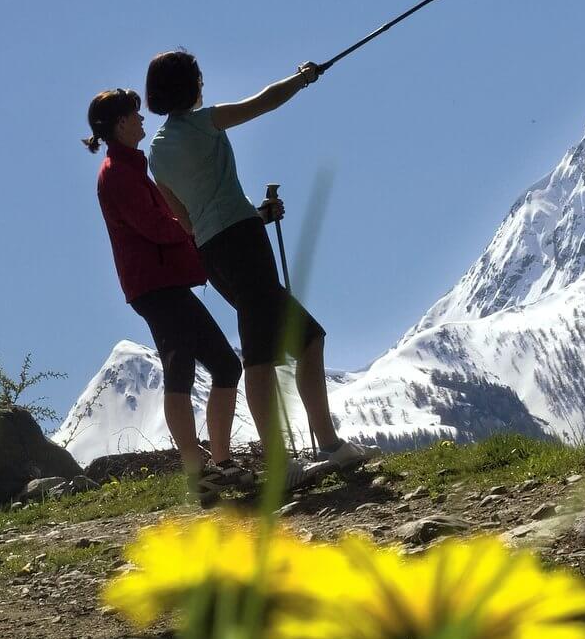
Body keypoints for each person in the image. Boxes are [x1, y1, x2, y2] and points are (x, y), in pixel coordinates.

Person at [142, 50, 374, 469]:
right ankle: (290, 460)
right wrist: (303, 77)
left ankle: (326, 445)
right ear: (188, 85)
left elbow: (188, 219)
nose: (203, 84)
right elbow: (262, 102)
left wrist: (256, 215)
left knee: (306, 339)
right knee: (262, 354)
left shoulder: (157, 154)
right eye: (198, 77)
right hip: (244, 244)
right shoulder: (204, 121)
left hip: (214, 255)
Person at [85, 87, 253, 504]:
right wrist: (195, 228)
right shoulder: (117, 174)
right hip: (156, 283)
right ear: (122, 123)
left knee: (224, 365)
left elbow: (163, 222)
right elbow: (156, 227)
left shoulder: (127, 169)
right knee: (189, 368)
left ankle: (216, 464)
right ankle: (203, 470)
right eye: (136, 115)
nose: (143, 121)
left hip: (162, 282)